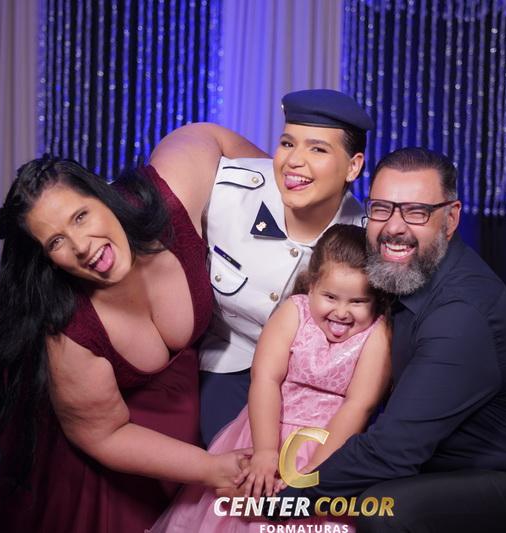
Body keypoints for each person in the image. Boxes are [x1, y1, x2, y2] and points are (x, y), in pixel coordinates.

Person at [0, 127, 264, 533]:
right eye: (56, 241)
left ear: (103, 194)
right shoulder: (70, 329)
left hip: (189, 409)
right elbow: (104, 434)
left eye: (81, 216)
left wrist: (300, 211)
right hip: (114, 448)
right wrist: (211, 468)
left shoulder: (170, 201)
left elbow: (210, 137)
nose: (81, 245)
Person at [277, 148, 506, 532]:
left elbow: (392, 450)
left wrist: (287, 500)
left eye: (416, 212)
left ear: (451, 218)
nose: (394, 227)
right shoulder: (397, 274)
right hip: (435, 465)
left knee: (383, 510)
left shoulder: (461, 313)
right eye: (382, 209)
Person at [149, 89, 375, 446]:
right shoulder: (227, 193)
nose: (294, 161)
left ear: (353, 166)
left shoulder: (365, 241)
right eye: (287, 144)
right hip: (228, 363)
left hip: (313, 382)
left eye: (317, 149)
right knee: (231, 462)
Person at [149, 224, 391, 532]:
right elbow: (265, 379)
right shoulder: (294, 312)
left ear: (374, 300)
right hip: (267, 429)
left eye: (357, 302)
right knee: (241, 505)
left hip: (331, 443)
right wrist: (265, 451)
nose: (342, 312)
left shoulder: (377, 333)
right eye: (330, 297)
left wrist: (316, 472)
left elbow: (358, 405)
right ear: (312, 286)